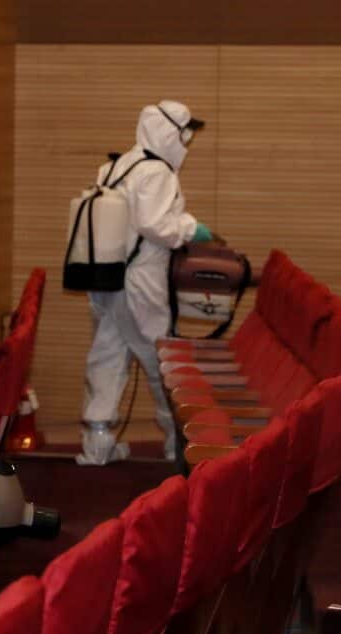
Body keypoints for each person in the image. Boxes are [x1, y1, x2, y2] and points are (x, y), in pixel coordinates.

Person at [79, 100, 214, 465]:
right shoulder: (156, 172)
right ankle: (180, 447)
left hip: (106, 280)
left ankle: (97, 447)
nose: (186, 141)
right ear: (170, 132)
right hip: (141, 284)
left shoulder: (115, 166)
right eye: (185, 133)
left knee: (106, 358)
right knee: (163, 364)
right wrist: (192, 228)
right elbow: (156, 225)